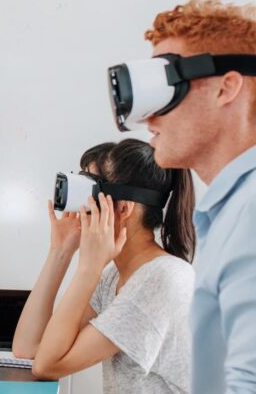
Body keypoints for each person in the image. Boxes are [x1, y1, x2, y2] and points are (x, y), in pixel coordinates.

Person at [13, 139, 195, 393]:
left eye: (92, 195)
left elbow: (47, 365)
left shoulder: (160, 278)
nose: (83, 208)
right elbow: (28, 348)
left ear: (123, 208)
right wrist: (60, 252)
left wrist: (89, 267)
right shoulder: (115, 277)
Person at [142, 0, 256, 393]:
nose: (148, 117)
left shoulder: (251, 211)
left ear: (226, 88)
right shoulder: (230, 211)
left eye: (168, 89)